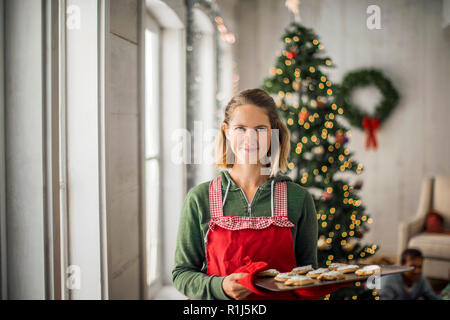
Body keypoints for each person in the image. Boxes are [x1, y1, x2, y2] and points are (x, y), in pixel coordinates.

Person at [172, 88, 347, 300]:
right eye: (241, 128)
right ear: (226, 131)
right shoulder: (200, 198)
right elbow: (182, 274)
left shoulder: (298, 199)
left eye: (260, 129)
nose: (250, 138)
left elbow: (306, 275)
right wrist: (222, 287)